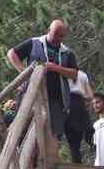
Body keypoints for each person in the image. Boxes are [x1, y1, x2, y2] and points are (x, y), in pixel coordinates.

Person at [7, 19, 78, 160]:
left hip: (57, 99)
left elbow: (74, 73)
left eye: (61, 36)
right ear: (48, 30)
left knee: (53, 132)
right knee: (26, 128)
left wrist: (56, 68)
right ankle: (27, 165)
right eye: (55, 34)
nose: (58, 38)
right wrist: (24, 73)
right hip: (32, 95)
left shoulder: (67, 52)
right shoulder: (34, 43)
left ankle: (50, 166)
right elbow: (12, 54)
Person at [64, 68, 94, 163]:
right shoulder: (60, 71)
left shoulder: (82, 74)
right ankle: (77, 164)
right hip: (69, 102)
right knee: (74, 140)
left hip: (77, 102)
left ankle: (93, 144)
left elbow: (90, 95)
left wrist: (82, 96)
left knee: (77, 137)